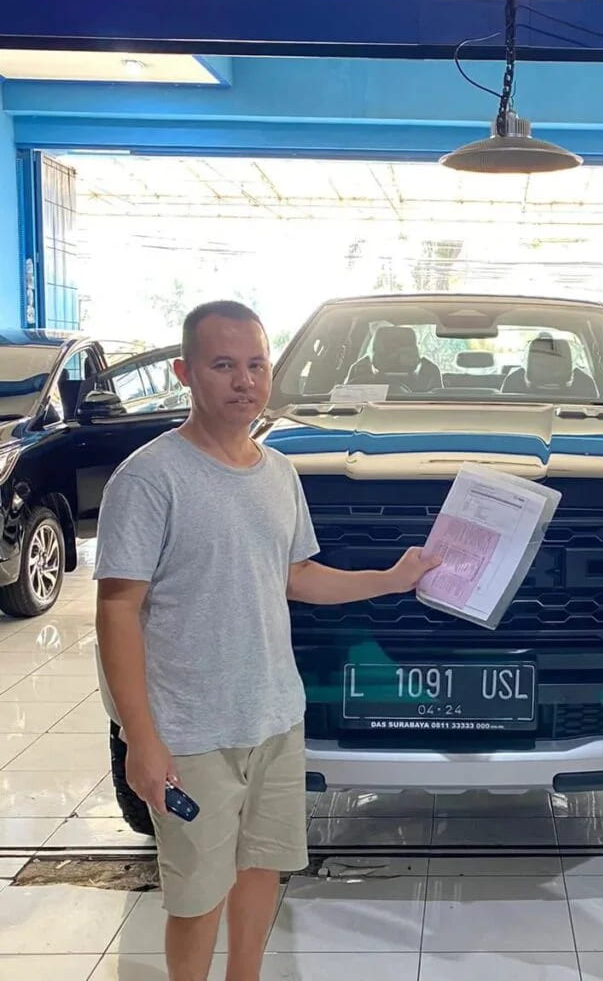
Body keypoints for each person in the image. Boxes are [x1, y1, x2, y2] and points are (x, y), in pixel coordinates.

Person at [94, 300, 440, 981]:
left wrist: (392, 579)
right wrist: (141, 737)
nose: (244, 381)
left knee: (261, 871)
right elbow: (117, 609)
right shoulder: (149, 477)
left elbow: (296, 577)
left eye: (256, 365)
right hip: (191, 732)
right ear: (185, 373)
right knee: (197, 895)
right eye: (223, 365)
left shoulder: (278, 472)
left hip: (276, 717)